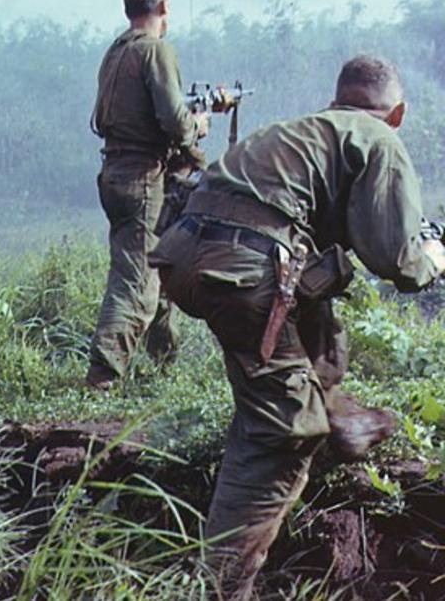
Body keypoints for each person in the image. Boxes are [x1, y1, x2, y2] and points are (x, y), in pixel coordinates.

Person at [150, 54, 445, 598]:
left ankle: (340, 415)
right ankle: (220, 586)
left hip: (184, 255)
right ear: (397, 113)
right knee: (281, 433)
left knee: (315, 334)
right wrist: (435, 254)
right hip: (243, 270)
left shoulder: (298, 132)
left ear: (337, 100)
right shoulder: (380, 139)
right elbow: (399, 262)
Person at [85, 0, 210, 391]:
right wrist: (198, 126)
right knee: (137, 282)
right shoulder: (156, 51)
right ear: (163, 5)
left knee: (157, 264)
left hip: (118, 173)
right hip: (141, 179)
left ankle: (163, 364)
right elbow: (175, 121)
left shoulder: (117, 51)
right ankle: (103, 376)